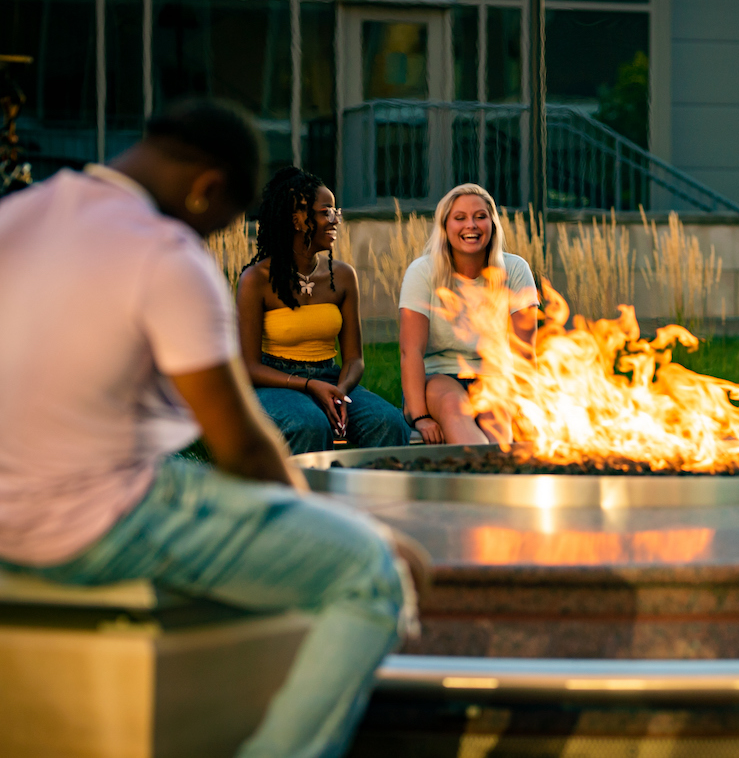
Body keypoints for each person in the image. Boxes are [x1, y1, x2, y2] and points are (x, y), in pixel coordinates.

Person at [0, 98, 426, 758]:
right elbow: (240, 446)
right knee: (371, 573)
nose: (211, 239)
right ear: (207, 188)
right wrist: (349, 530)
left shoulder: (17, 215)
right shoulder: (162, 252)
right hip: (86, 520)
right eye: (219, 222)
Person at [237, 167, 409, 454]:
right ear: (297, 219)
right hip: (275, 383)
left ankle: (377, 498)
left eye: (336, 211)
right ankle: (306, 497)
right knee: (309, 425)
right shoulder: (256, 280)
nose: (336, 220)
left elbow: (355, 359)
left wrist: (339, 393)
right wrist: (309, 385)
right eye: (326, 212)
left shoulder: (342, 276)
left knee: (389, 423)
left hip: (332, 379)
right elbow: (249, 368)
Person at [398, 183, 538, 445]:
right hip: (437, 377)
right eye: (459, 218)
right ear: (445, 226)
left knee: (497, 424)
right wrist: (420, 416)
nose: (471, 225)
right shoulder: (422, 272)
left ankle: (493, 478)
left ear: (492, 224)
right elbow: (410, 351)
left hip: (495, 377)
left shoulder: (516, 270)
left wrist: (525, 406)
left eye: (480, 217)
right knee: (454, 405)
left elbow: (524, 352)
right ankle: (489, 477)